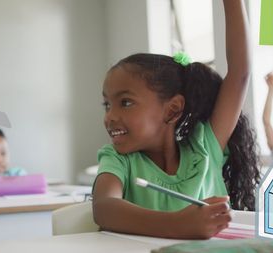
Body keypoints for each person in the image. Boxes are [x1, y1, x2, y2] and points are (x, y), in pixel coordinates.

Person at [92, 0, 260, 239]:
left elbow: (240, 73)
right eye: (107, 104)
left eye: (126, 103)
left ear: (172, 110)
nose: (110, 116)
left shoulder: (205, 146)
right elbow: (104, 209)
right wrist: (178, 224)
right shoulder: (119, 160)